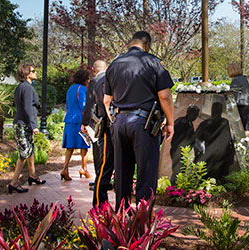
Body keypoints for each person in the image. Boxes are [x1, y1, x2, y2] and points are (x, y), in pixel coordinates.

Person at [104, 30, 175, 209]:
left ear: (131, 42)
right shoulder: (153, 62)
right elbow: (165, 96)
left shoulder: (114, 64)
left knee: (121, 174)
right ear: (147, 45)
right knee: (146, 173)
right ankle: (142, 223)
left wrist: (114, 118)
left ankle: (122, 222)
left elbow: (107, 100)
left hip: (119, 123)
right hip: (143, 124)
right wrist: (170, 123)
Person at [9, 63, 46, 193]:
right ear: (27, 73)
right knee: (24, 153)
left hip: (23, 124)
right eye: (33, 71)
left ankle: (33, 175)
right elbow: (27, 108)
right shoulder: (27, 88)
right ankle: (14, 182)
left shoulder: (22, 87)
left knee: (30, 150)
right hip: (23, 124)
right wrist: (34, 125)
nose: (36, 73)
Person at [82, 59, 113, 206]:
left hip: (100, 123)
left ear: (94, 70)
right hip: (115, 122)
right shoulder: (111, 78)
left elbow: (90, 104)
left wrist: (85, 123)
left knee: (100, 156)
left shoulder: (95, 81)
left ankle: (99, 188)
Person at [61, 68, 91, 181]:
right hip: (79, 120)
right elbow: (83, 105)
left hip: (69, 119)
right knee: (85, 145)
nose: (89, 81)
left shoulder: (70, 89)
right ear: (84, 79)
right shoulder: (82, 89)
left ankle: (65, 169)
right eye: (88, 79)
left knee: (70, 146)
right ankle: (84, 169)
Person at [170, 105, 200, 183]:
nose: (196, 117)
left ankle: (178, 188)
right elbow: (179, 139)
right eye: (195, 114)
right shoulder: (182, 122)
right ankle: (173, 188)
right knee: (177, 171)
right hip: (178, 151)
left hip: (183, 152)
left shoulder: (189, 123)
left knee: (181, 172)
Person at [228, 63, 249, 137]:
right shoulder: (244, 78)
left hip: (240, 105)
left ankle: (242, 145)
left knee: (239, 127)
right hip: (247, 104)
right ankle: (247, 146)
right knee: (247, 128)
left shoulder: (236, 80)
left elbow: (234, 94)